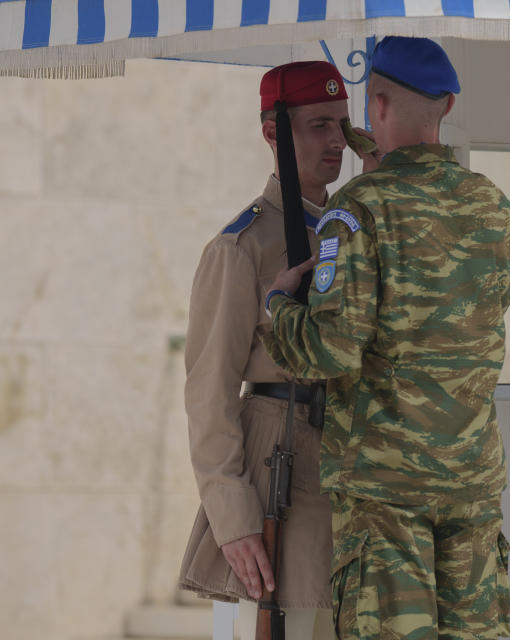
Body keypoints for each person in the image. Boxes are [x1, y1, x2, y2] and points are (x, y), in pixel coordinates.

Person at [262, 37, 510, 640]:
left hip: (387, 491)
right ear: (449, 105)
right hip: (472, 481)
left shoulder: (356, 211)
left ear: (373, 104)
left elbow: (331, 349)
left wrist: (279, 307)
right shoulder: (496, 208)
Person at [178, 60, 363, 640]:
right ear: (272, 132)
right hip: (278, 474)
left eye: (342, 124)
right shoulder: (242, 245)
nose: (336, 140)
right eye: (317, 126)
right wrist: (233, 519)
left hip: (349, 474)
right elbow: (209, 389)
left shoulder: (351, 230)